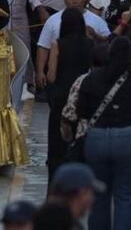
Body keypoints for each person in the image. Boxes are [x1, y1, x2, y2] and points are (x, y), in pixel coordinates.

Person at [76, 36, 131, 230]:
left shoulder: (92, 78)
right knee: (126, 195)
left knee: (99, 195)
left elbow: (83, 112)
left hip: (97, 138)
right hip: (130, 136)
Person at [46, 9, 95, 178]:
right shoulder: (90, 44)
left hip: (62, 98)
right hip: (83, 96)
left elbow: (51, 76)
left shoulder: (57, 44)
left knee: (57, 147)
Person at [37, 0, 110, 89]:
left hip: (88, 79)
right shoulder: (53, 21)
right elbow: (43, 47)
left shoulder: (97, 21)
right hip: (60, 78)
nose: (74, 1)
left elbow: (108, 43)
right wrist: (40, 72)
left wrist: (95, 35)